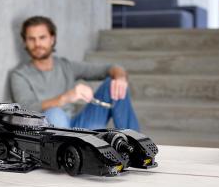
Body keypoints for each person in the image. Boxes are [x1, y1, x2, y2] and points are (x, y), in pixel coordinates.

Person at [10, 16, 140, 131]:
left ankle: (134, 143)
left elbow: (110, 68)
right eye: (31, 39)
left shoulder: (66, 66)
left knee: (114, 84)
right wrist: (64, 98)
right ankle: (65, 149)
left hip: (79, 127)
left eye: (42, 37)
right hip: (50, 133)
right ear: (25, 42)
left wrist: (120, 78)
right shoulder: (19, 75)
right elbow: (26, 108)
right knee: (55, 113)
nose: (37, 44)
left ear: (52, 39)